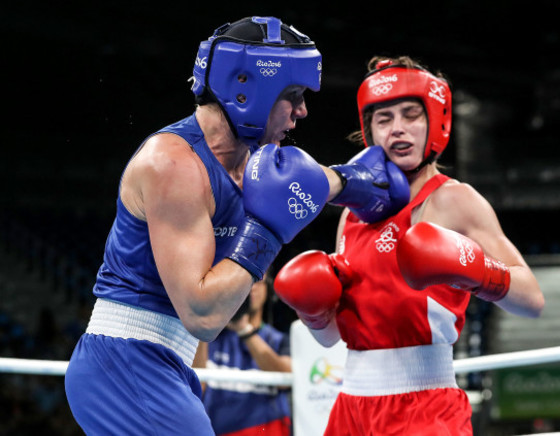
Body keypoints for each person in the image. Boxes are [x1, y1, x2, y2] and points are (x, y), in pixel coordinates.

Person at [63, 17, 410, 436]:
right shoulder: (173, 165)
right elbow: (203, 314)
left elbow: (315, 181)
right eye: (293, 96)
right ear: (249, 89)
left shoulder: (253, 164)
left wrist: (361, 184)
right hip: (125, 362)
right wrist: (267, 231)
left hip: (166, 362)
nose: (302, 111)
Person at [274, 56, 546, 435]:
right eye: (384, 119)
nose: (398, 129)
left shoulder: (454, 200)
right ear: (370, 131)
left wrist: (479, 271)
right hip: (351, 406)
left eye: (410, 115)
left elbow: (532, 300)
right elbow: (332, 336)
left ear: (435, 121)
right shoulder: (351, 215)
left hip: (425, 404)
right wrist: (314, 311)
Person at [195, 273, 292, 435]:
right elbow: (196, 388)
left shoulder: (278, 340)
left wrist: (244, 329)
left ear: (268, 289)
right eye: (245, 281)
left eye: (257, 280)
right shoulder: (208, 339)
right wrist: (206, 324)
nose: (251, 287)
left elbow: (286, 380)